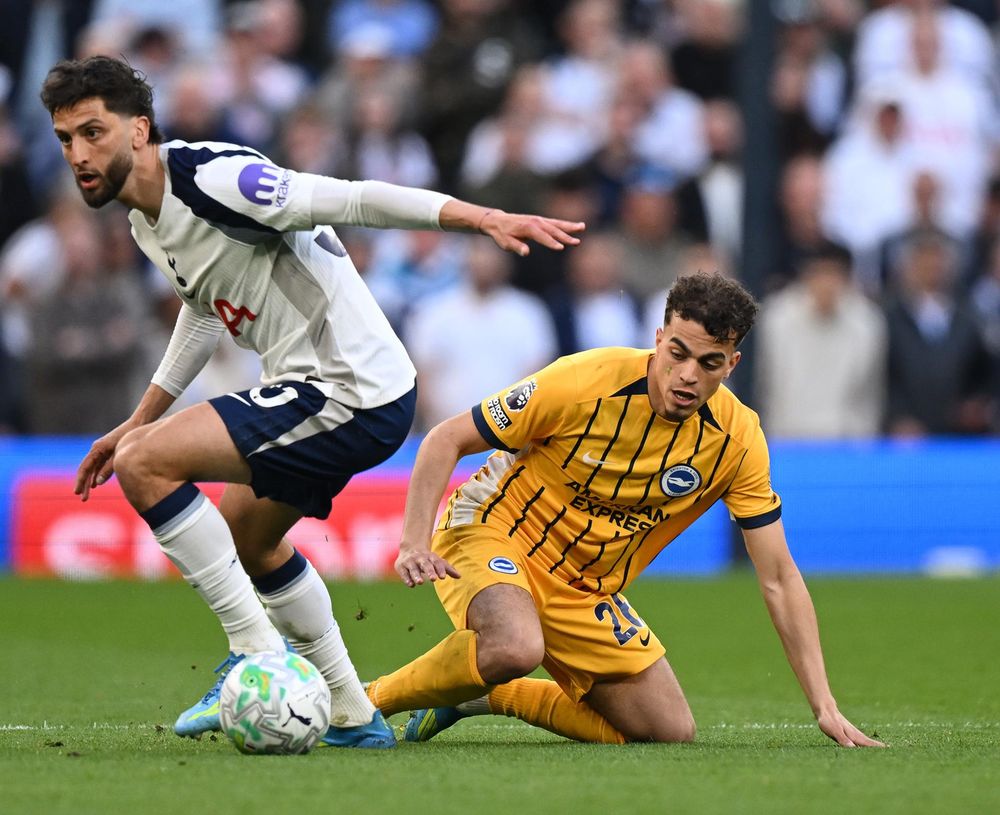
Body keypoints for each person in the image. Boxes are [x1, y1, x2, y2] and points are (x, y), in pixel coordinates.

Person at [40, 55, 583, 749]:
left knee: (149, 466)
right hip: (336, 390)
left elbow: (353, 199)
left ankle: (257, 652)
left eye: (93, 132)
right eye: (64, 139)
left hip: (347, 387)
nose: (78, 154)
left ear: (139, 129)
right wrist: (135, 419)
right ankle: (355, 716)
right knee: (249, 535)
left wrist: (477, 217)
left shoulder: (217, 179)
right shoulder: (146, 220)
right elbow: (204, 307)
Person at [364, 272, 884, 748]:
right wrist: (413, 540)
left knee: (668, 732)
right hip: (494, 531)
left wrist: (824, 705)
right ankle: (361, 702)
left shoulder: (738, 439)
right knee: (516, 644)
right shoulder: (583, 381)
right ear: (658, 339)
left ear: (732, 364)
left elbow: (778, 576)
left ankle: (489, 694)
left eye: (708, 363)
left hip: (585, 585)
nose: (686, 376)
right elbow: (444, 438)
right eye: (677, 353)